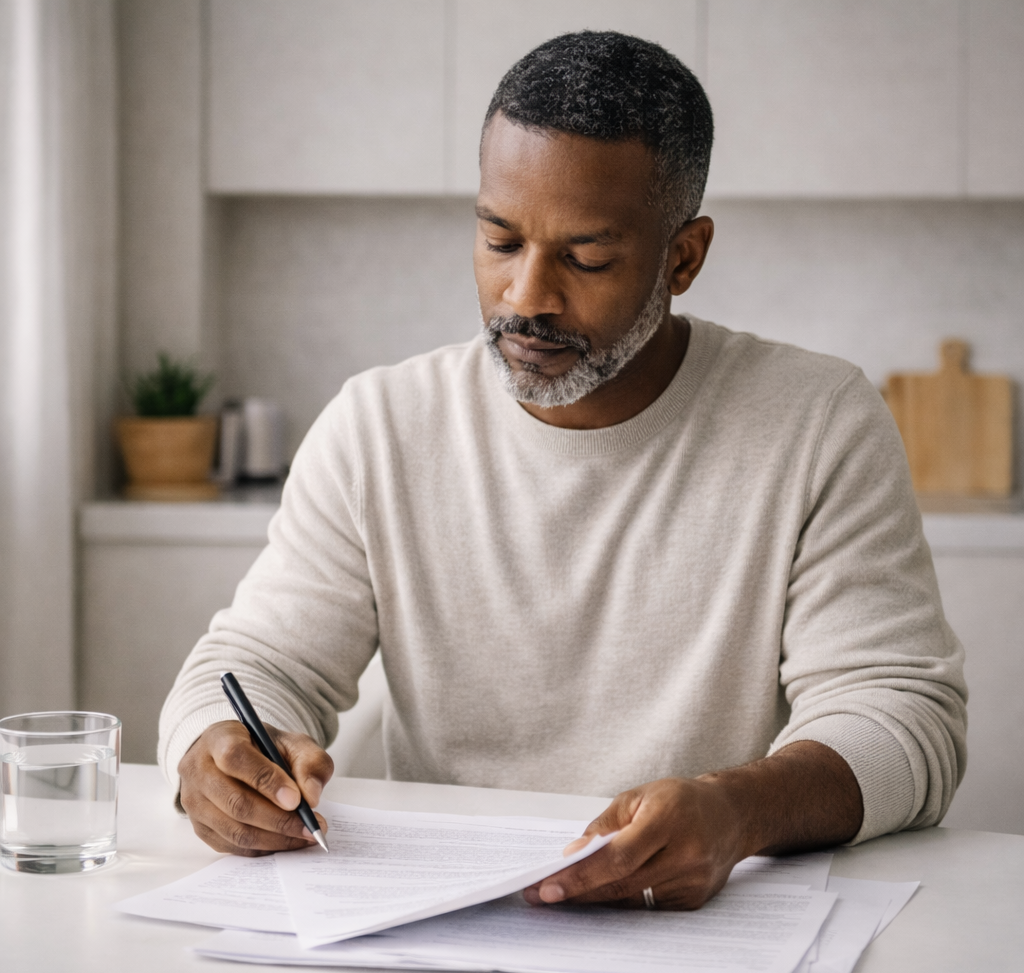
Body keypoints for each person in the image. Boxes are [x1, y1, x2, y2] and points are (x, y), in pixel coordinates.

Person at [159, 31, 967, 911]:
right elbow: (254, 661)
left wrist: (740, 812)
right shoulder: (380, 424)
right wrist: (216, 751)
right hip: (438, 923)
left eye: (585, 258)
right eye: (500, 242)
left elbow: (905, 719)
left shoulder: (818, 423)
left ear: (683, 257)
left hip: (697, 936)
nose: (526, 298)